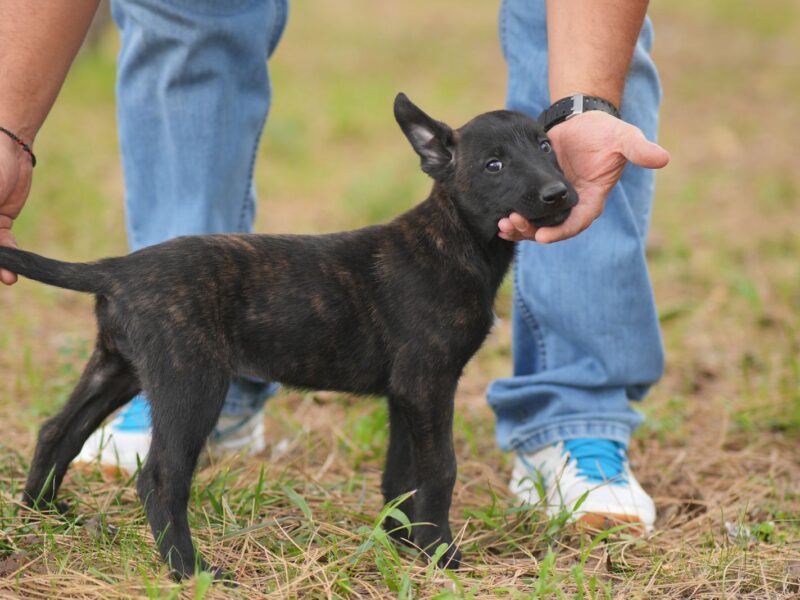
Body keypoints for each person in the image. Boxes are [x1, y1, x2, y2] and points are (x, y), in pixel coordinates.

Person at [0, 0, 668, 529]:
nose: (547, 179)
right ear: (439, 163)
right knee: (186, 13)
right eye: (496, 165)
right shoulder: (429, 276)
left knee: (571, 42)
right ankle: (183, 389)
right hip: (193, 297)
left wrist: (585, 106)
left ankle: (577, 414)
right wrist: (8, 128)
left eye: (543, 152)